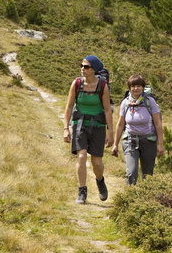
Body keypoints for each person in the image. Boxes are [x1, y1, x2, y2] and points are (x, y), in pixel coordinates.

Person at [63, 55, 114, 204]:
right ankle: (82, 192)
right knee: (81, 156)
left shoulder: (103, 86)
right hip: (79, 125)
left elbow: (107, 110)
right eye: (81, 66)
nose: (82, 69)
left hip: (98, 126)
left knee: (97, 163)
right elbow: (69, 106)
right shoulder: (77, 83)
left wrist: (110, 133)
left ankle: (100, 180)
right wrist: (66, 128)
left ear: (94, 70)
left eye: (86, 67)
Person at [111, 74, 164, 184]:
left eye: (139, 86)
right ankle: (130, 199)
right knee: (131, 172)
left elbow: (158, 123)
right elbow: (120, 124)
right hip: (130, 141)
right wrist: (115, 144)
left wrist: (160, 144)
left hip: (148, 141)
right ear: (129, 87)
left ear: (143, 87)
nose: (136, 88)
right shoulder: (125, 103)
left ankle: (146, 199)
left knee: (148, 175)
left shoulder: (150, 102)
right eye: (133, 86)